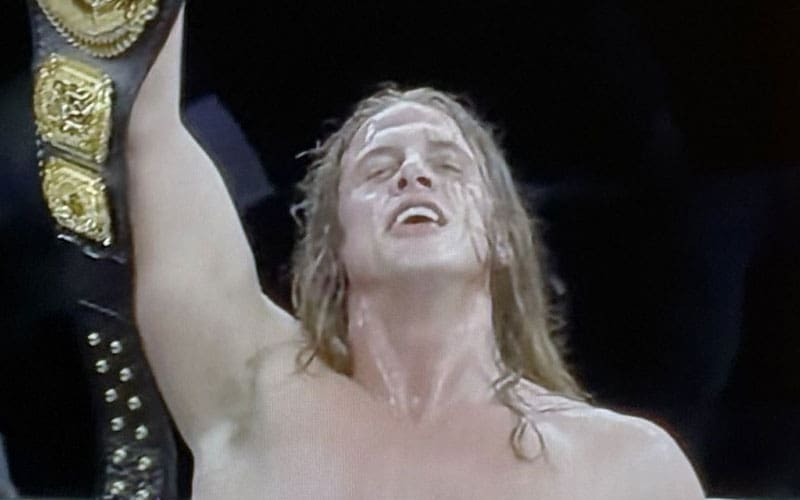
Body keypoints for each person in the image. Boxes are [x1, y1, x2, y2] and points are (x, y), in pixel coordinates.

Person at [127, 9, 705, 499]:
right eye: (378, 170)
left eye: (447, 165)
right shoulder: (252, 394)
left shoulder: (625, 468)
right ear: (333, 246)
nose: (412, 175)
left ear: (503, 235)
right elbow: (145, 125)